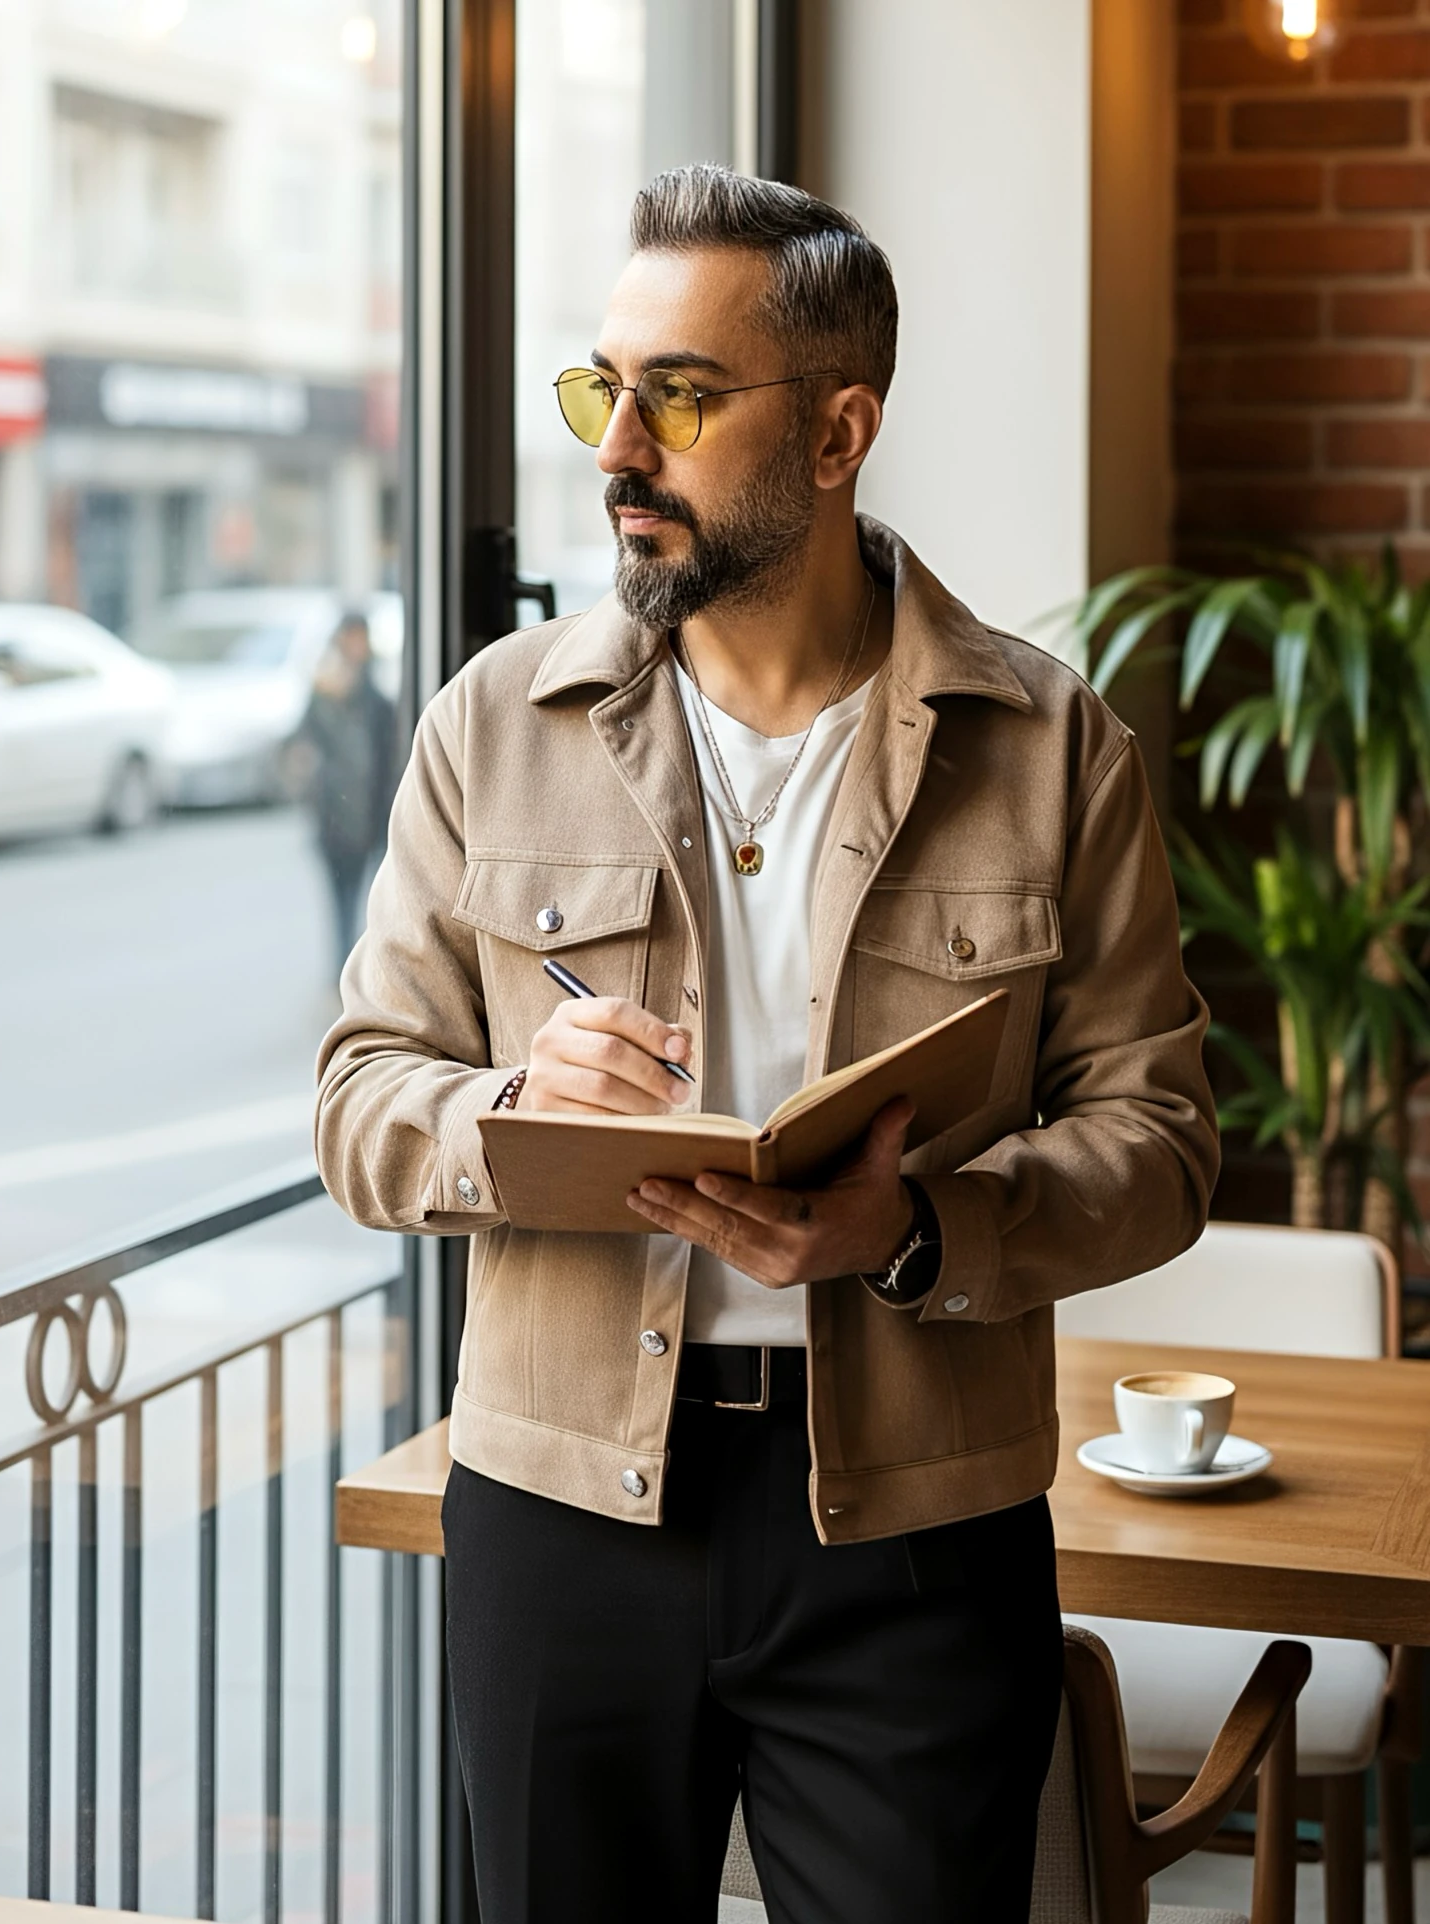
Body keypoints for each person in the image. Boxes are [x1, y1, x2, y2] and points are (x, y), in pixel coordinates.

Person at [316, 166, 1219, 1924]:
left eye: (681, 394)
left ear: (837, 430)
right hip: (561, 1505)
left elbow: (1165, 1135)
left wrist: (916, 1229)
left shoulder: (1053, 743)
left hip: (914, 1533)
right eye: (604, 388)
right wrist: (505, 1104)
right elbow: (361, 1097)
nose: (618, 447)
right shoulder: (491, 725)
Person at [297, 610, 396, 977]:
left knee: (372, 900)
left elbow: (387, 756)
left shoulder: (375, 698)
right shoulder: (324, 692)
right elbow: (304, 748)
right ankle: (344, 972)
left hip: (368, 817)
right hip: (334, 818)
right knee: (341, 900)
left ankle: (361, 972)